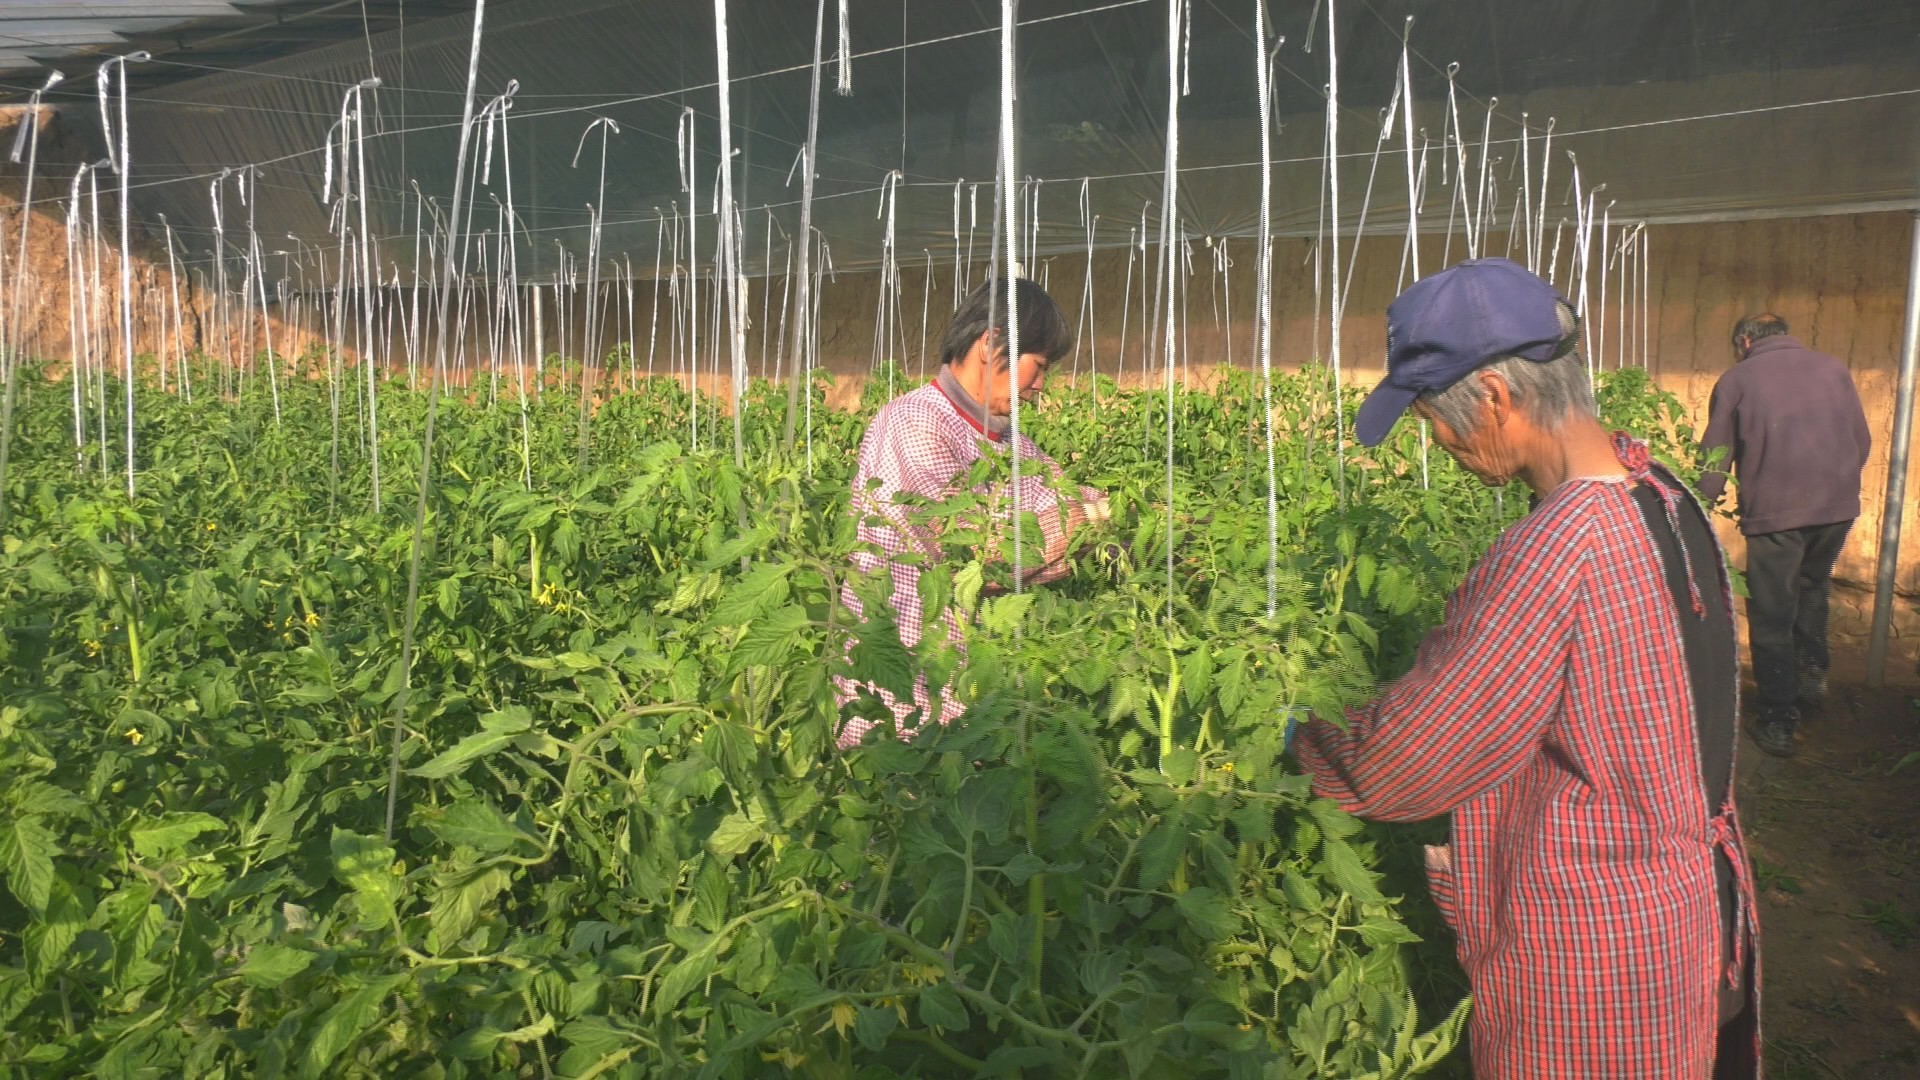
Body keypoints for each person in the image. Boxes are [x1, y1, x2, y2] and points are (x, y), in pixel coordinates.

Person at [1293, 258, 1759, 1079]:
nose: (1437, 441)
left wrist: (1306, 742)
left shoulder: (1561, 549)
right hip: (1692, 921)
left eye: (1433, 417)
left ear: (1499, 401)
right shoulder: (1666, 495)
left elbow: (1410, 759)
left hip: (1596, 962)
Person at [833, 278, 1109, 749]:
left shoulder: (1008, 439)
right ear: (990, 343)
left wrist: (1122, 515)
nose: (1041, 385)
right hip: (902, 678)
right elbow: (984, 553)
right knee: (904, 802)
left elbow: (1060, 491)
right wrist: (1093, 519)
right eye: (1038, 366)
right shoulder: (915, 423)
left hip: (973, 676)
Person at [1698, 314, 1870, 757]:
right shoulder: (1833, 368)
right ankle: (1811, 684)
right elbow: (1862, 441)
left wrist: (1698, 507)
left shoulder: (1737, 379)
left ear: (1746, 341)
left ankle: (1777, 716)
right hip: (1836, 510)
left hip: (1777, 516)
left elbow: (1715, 457)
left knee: (1773, 613)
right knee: (1811, 589)